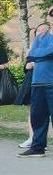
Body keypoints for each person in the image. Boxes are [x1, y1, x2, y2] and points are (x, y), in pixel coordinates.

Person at [19, 18, 53, 158]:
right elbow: (29, 56)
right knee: (37, 116)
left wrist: (35, 54)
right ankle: (38, 147)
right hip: (38, 82)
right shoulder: (41, 36)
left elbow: (38, 53)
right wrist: (38, 54)